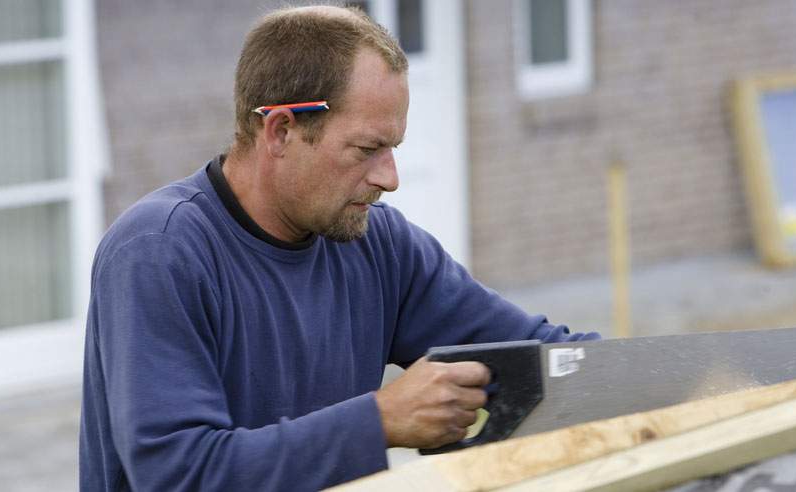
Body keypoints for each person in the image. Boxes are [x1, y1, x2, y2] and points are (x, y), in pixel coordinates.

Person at [79, 5, 599, 491]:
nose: (390, 178)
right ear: (281, 130)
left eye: (393, 149)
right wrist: (379, 420)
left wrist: (639, 380)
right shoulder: (159, 252)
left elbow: (547, 359)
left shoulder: (380, 246)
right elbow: (178, 474)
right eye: (367, 149)